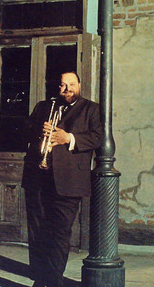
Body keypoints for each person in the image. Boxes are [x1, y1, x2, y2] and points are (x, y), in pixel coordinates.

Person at [22, 71, 103, 287]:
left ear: (79, 85)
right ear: (58, 87)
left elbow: (98, 138)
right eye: (63, 85)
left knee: (59, 233)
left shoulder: (91, 109)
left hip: (69, 181)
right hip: (39, 178)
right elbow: (24, 132)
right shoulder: (43, 107)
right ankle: (40, 280)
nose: (67, 89)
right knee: (38, 232)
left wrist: (69, 138)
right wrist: (39, 130)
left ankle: (54, 282)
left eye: (71, 84)